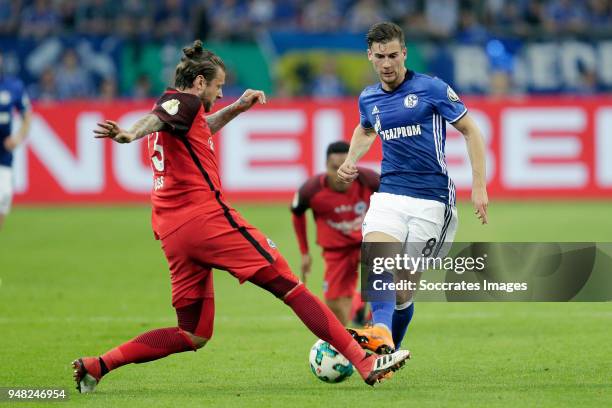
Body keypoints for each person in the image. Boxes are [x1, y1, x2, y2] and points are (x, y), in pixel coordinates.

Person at [73, 40, 410, 393]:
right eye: (218, 86)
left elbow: (199, 127)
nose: (220, 94)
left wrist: (237, 107)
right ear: (200, 83)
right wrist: (129, 133)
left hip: (171, 230)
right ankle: (364, 361)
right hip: (206, 221)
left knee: (193, 333)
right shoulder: (180, 102)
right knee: (290, 285)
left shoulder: (187, 116)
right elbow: (156, 117)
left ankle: (99, 365)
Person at [337, 22, 488, 355]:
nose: (387, 64)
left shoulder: (431, 89)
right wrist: (351, 159)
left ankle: (390, 349)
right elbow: (365, 130)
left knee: (403, 291)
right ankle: (381, 334)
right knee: (377, 260)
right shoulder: (369, 97)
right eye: (380, 57)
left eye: (393, 55)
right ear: (370, 57)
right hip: (390, 192)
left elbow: (471, 130)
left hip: (432, 200)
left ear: (404, 53)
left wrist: (479, 185)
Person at [291, 141, 378, 325]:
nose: (341, 174)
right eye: (335, 168)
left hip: (366, 243)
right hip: (336, 250)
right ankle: (357, 310)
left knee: (387, 274)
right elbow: (297, 214)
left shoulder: (370, 180)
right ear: (326, 167)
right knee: (335, 306)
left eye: (346, 167)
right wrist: (305, 253)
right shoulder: (311, 190)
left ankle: (377, 321)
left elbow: (394, 201)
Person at [0, 51, 32, 231]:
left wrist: (18, 137)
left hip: (3, 156)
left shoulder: (14, 86)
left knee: (3, 200)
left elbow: (27, 115)